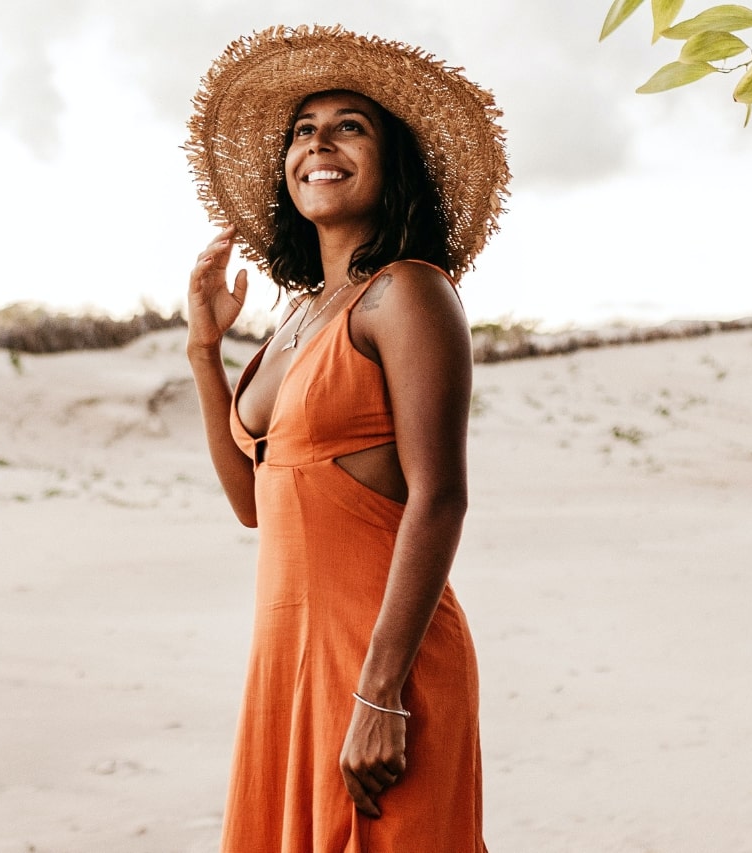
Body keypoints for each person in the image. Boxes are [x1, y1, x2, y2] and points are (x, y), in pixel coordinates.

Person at [184, 25, 509, 853]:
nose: (318, 144)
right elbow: (253, 503)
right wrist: (202, 351)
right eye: (303, 129)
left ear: (392, 159)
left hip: (380, 665)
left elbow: (441, 496)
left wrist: (379, 693)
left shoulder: (408, 294)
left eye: (349, 125)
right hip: (286, 665)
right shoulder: (295, 317)